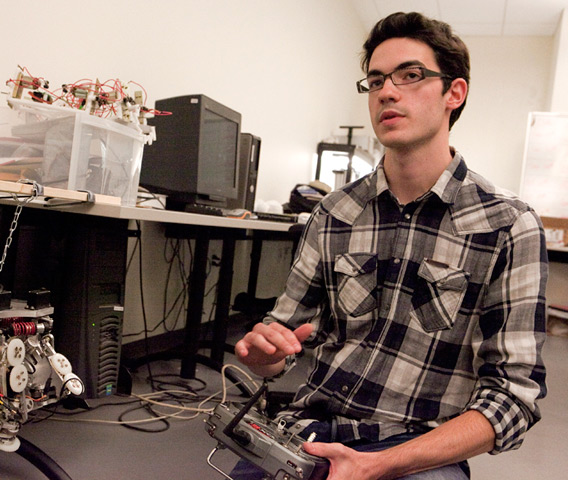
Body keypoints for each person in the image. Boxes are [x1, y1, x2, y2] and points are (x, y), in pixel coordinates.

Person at [232, 11, 547, 480]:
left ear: (453, 94)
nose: (387, 91)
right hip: (313, 429)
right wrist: (265, 354)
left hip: (419, 445)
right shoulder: (336, 211)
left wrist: (377, 464)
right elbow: (282, 340)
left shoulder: (507, 225)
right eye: (376, 79)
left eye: (411, 75)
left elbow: (512, 398)